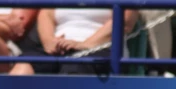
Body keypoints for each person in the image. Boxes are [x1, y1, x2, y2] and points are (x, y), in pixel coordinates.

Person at [11, 8, 139, 75]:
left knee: (74, 65)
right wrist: (49, 42)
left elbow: (124, 22)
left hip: (100, 48)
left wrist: (85, 45)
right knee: (24, 65)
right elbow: (46, 16)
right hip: (59, 47)